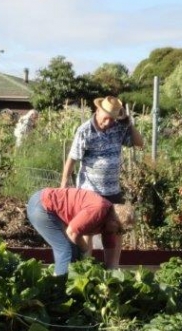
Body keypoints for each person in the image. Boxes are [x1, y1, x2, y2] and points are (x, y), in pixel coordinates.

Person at [60, 95, 143, 268]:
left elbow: (139, 143)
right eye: (106, 118)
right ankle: (86, 266)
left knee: (114, 229)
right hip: (89, 191)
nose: (108, 122)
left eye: (112, 119)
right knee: (87, 229)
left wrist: (128, 123)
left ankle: (112, 268)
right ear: (97, 111)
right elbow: (72, 159)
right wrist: (64, 185)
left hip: (112, 190)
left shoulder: (119, 127)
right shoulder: (85, 130)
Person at [27, 187, 135, 276]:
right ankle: (57, 287)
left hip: (47, 207)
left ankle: (65, 284)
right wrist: (85, 249)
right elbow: (72, 232)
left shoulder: (109, 222)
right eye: (119, 229)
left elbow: (110, 247)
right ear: (114, 221)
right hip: (42, 205)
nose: (118, 233)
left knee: (75, 253)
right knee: (66, 250)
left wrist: (111, 273)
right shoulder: (98, 210)